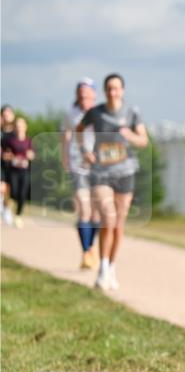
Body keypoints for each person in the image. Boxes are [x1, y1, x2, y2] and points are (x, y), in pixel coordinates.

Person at [76, 73, 148, 290]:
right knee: (108, 218)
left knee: (118, 225)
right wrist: (85, 151)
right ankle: (103, 268)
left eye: (116, 88)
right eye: (109, 88)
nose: (112, 92)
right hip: (101, 172)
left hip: (125, 172)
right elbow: (79, 130)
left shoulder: (132, 112)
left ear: (122, 91)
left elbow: (144, 140)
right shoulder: (95, 113)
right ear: (105, 91)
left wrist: (130, 136)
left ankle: (112, 266)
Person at [61, 78, 101, 268]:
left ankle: (91, 246)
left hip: (99, 167)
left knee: (96, 213)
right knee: (84, 209)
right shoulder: (71, 114)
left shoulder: (100, 112)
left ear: (94, 94)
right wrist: (65, 159)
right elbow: (66, 136)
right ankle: (86, 252)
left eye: (86, 93)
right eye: (80, 93)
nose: (83, 96)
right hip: (78, 165)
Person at [1, 117, 35, 228]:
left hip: (24, 170)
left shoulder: (29, 141)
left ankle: (18, 215)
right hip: (13, 170)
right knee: (14, 192)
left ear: (25, 126)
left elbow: (33, 154)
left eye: (21, 125)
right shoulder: (10, 141)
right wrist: (10, 157)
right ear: (15, 127)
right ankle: (7, 207)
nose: (19, 127)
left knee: (23, 193)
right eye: (17, 125)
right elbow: (4, 154)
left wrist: (31, 156)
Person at [1, 104, 16, 225]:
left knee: (10, 190)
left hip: (13, 165)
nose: (7, 116)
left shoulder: (16, 131)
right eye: (4, 114)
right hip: (1, 163)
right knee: (2, 187)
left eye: (9, 114)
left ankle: (6, 208)